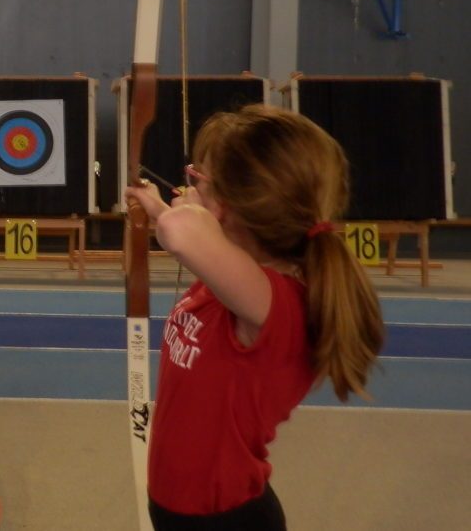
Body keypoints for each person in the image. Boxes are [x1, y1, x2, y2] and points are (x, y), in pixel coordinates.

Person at [125, 104, 384, 530]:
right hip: (185, 506)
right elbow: (184, 232)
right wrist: (159, 206)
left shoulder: (276, 307)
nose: (188, 185)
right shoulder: (242, 280)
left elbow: (179, 233)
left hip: (222, 518)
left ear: (226, 206)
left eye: (197, 178)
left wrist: (185, 215)